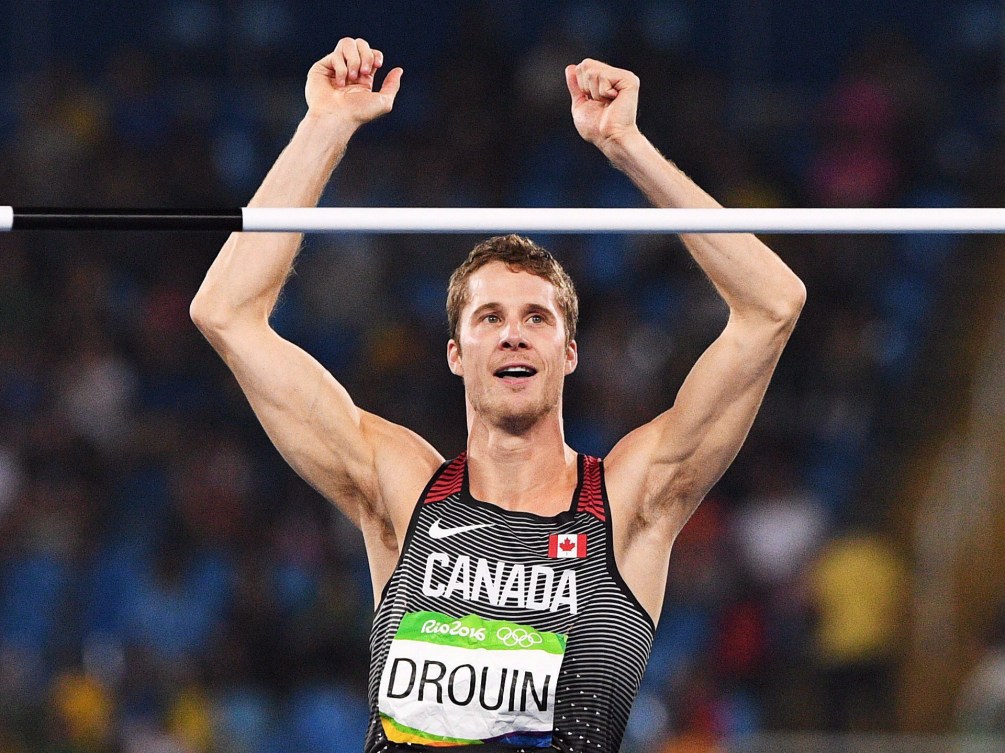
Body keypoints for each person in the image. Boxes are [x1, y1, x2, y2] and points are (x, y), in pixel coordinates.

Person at [190, 37, 806, 753]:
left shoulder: (634, 498)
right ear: (456, 354)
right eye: (489, 318)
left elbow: (772, 304)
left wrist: (627, 146)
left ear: (568, 352)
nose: (513, 336)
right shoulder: (403, 490)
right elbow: (225, 311)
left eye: (536, 318)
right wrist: (324, 126)